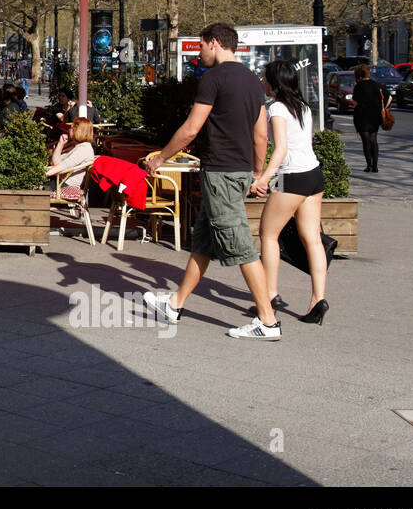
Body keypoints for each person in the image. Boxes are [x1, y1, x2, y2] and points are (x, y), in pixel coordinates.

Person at [141, 22, 280, 340]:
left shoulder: (213, 79)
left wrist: (161, 158)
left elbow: (192, 128)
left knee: (240, 245)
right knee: (203, 241)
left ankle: (268, 321)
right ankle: (174, 305)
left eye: (201, 46)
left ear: (214, 43)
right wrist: (256, 172)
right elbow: (261, 134)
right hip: (239, 169)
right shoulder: (251, 80)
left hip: (220, 171)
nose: (199, 52)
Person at [250, 60, 329, 324]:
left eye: (264, 78)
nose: (262, 82)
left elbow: (280, 149)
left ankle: (270, 295)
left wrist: (265, 178)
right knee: (313, 239)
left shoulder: (277, 109)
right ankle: (318, 298)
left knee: (268, 234)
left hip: (290, 177)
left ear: (274, 83)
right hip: (313, 175)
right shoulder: (303, 107)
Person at [350, 63, 390, 173]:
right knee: (374, 140)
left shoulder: (359, 86)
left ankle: (369, 165)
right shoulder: (376, 84)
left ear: (358, 75)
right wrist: (383, 108)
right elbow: (389, 97)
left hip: (362, 117)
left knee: (366, 142)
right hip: (375, 116)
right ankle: (375, 166)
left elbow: (355, 102)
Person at [47, 117, 96, 201]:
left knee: (31, 189)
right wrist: (60, 143)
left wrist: (43, 174)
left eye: (71, 128)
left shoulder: (84, 149)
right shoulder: (77, 146)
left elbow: (62, 167)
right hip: (59, 181)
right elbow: (54, 162)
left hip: (64, 185)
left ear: (78, 131)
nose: (69, 130)